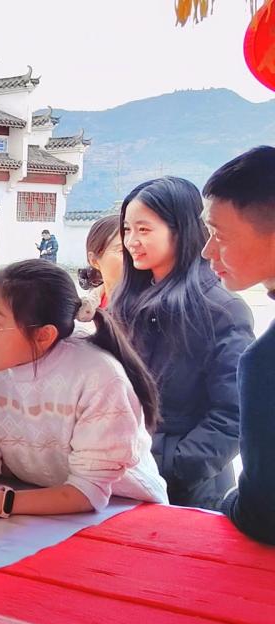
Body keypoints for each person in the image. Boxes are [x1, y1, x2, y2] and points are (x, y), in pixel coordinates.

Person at [0, 260, 168, 520]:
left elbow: (88, 491)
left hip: (127, 509)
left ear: (44, 336)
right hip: (47, 506)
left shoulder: (97, 377)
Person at [113, 176, 254, 509]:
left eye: (144, 230)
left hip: (188, 489)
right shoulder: (125, 302)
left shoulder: (221, 310)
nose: (132, 241)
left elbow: (233, 413)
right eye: (127, 229)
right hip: (124, 475)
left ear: (182, 231)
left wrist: (173, 465)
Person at [201, 146, 275, 544]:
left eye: (220, 235)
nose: (207, 251)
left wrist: (229, 501)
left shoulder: (265, 362)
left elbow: (264, 514)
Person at [77, 215, 124, 309]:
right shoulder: (87, 311)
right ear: (94, 260)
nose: (134, 257)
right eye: (122, 251)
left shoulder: (151, 309)